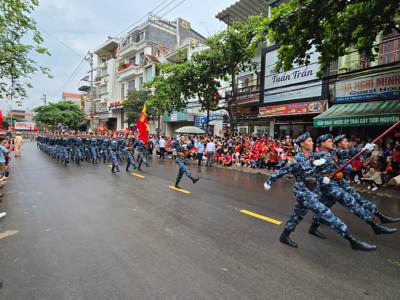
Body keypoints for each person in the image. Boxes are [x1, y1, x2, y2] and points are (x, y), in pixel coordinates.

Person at [264, 132, 376, 251]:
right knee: (325, 212)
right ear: (302, 144)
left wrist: (362, 149)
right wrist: (269, 181)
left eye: (312, 141)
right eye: (309, 141)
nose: (312, 143)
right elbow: (282, 171)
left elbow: (316, 171)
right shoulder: (296, 160)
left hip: (311, 189)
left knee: (298, 214)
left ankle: (284, 236)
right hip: (302, 191)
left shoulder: (312, 155)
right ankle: (352, 240)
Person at [311, 134, 398, 236]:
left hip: (338, 181)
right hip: (328, 185)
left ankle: (313, 227)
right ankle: (374, 225)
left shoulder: (333, 152)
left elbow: (348, 152)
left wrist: (363, 149)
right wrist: (321, 177)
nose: (332, 143)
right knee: (351, 202)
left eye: (332, 141)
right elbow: (307, 171)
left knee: (324, 206)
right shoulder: (317, 155)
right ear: (322, 143)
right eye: (329, 141)